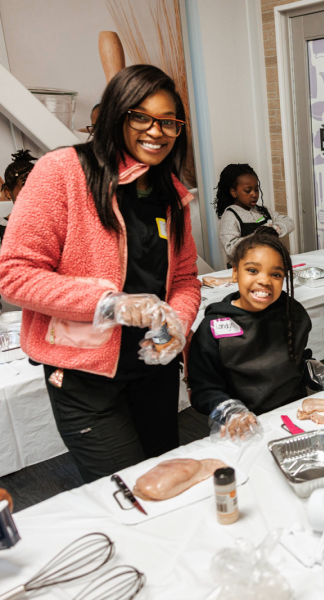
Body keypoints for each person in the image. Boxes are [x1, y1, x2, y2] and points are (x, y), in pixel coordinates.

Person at [0, 65, 200, 483]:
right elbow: (14, 274)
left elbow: (184, 279)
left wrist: (177, 324)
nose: (156, 131)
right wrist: (109, 304)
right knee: (127, 489)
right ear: (116, 114)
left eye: (169, 122)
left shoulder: (171, 194)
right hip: (84, 377)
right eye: (141, 116)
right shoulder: (64, 173)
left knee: (165, 479)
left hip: (153, 367)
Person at [188, 226, 315, 442]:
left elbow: (299, 361)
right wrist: (231, 411)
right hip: (240, 428)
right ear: (235, 272)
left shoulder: (292, 314)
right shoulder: (214, 327)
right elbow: (203, 389)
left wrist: (321, 375)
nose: (265, 281)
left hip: (293, 417)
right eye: (253, 270)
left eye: (276, 274)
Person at [214, 163, 295, 265]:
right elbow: (230, 249)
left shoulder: (263, 211)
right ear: (233, 192)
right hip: (245, 270)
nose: (254, 194)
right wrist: (258, 236)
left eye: (256, 189)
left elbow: (290, 222)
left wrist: (277, 228)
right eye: (248, 191)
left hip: (267, 264)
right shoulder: (230, 216)